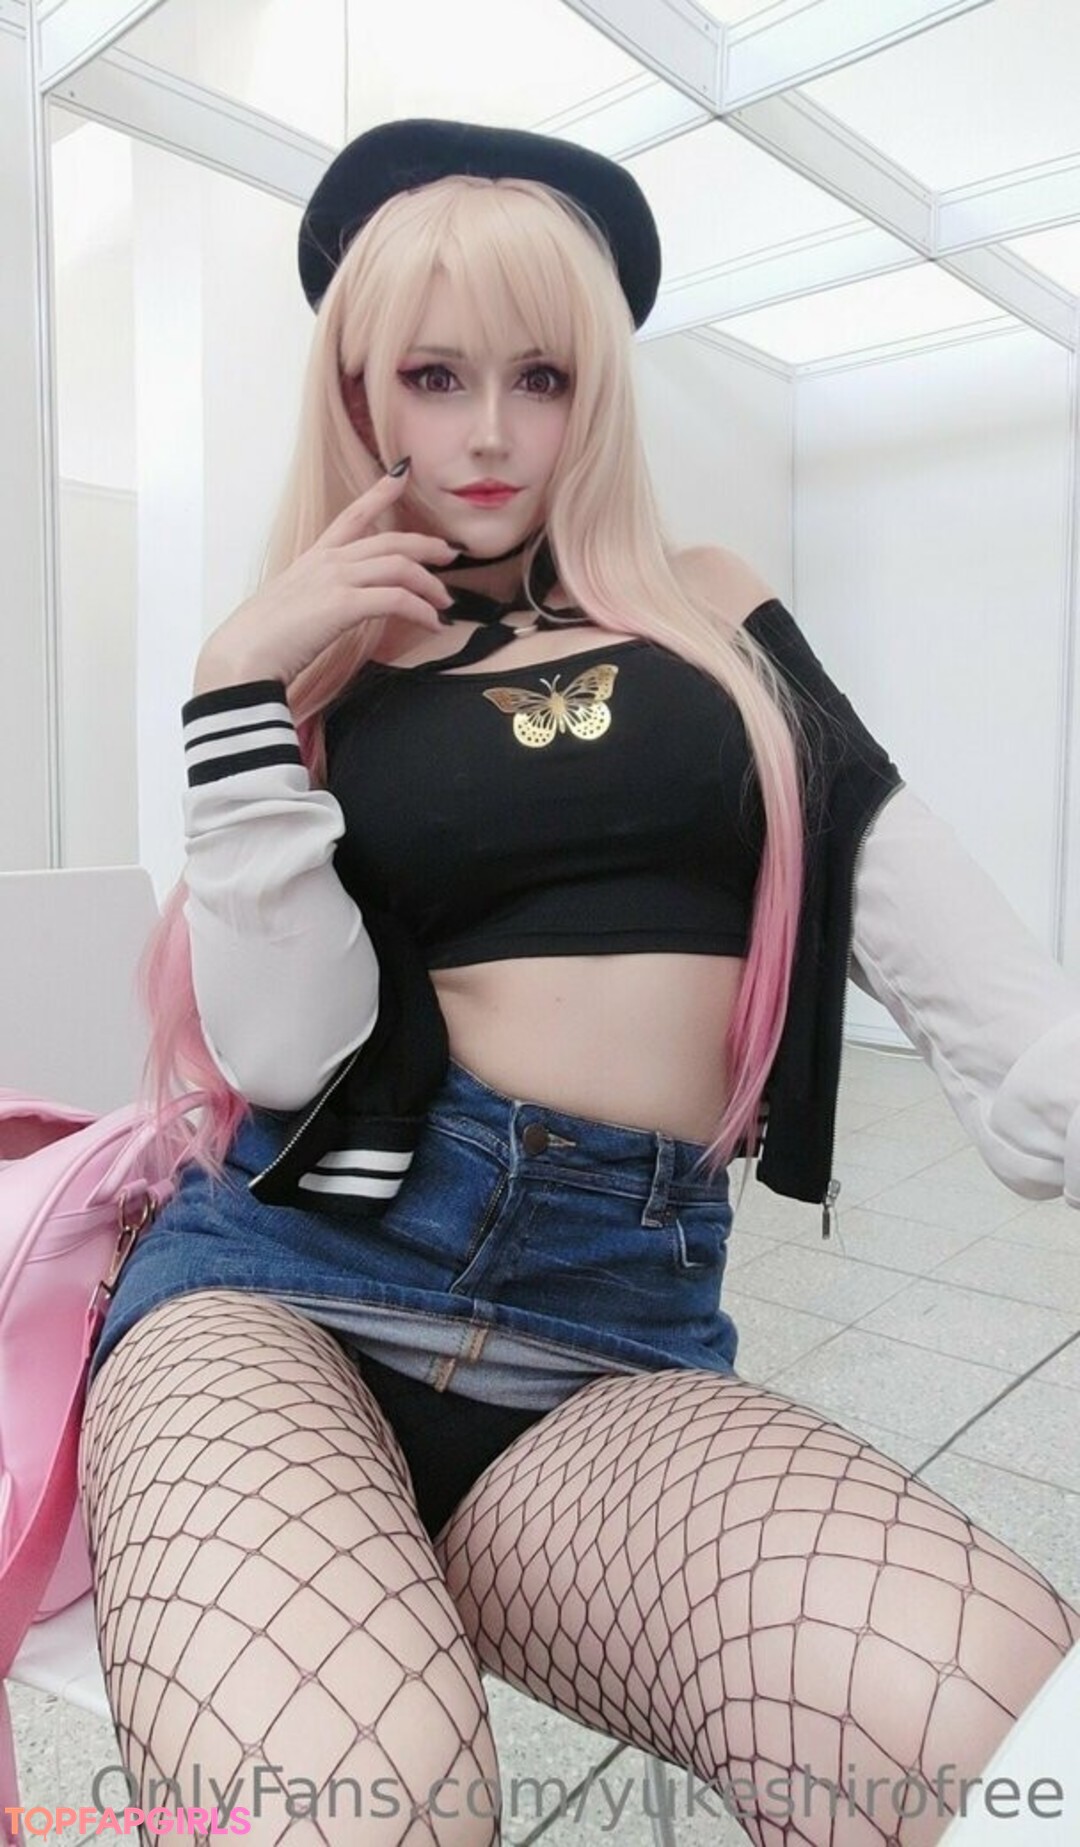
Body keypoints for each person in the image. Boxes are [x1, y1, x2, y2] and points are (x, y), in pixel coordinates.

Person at [77, 120, 1080, 1847]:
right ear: (361, 396)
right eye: (436, 376)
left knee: (992, 1724)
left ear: (596, 392)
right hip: (284, 1286)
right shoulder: (317, 666)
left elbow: (934, 930)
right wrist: (239, 684)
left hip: (610, 1338)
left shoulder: (711, 612)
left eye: (539, 377)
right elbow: (288, 1052)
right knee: (360, 1807)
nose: (487, 433)